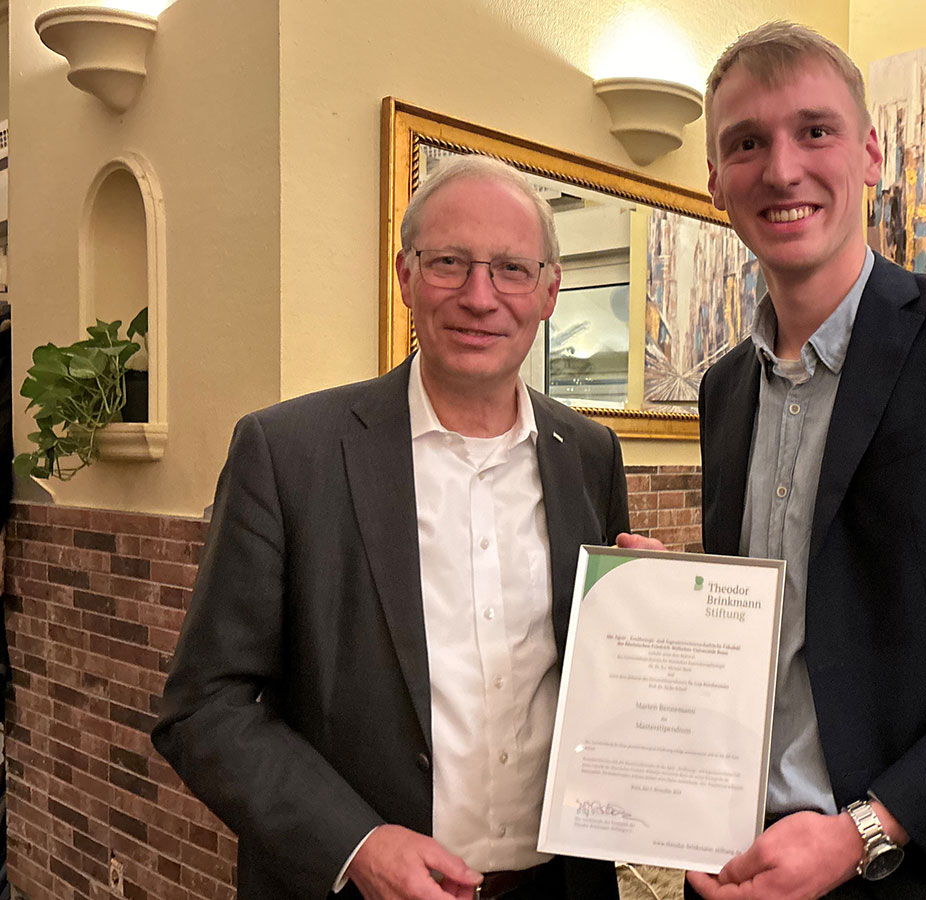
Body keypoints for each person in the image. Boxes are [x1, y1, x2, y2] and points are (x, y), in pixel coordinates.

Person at [624, 20, 926, 900]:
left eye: (814, 130)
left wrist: (867, 828)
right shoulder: (724, 390)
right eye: (747, 143)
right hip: (759, 865)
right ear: (714, 180)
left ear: (869, 155)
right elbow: (809, 620)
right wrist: (680, 601)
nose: (782, 170)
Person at [153, 155, 628, 900]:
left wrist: (648, 614)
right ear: (405, 276)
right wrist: (357, 845)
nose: (480, 296)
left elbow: (598, 679)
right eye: (448, 263)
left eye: (511, 269)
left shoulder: (589, 454)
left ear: (548, 291)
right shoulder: (289, 453)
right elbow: (204, 707)